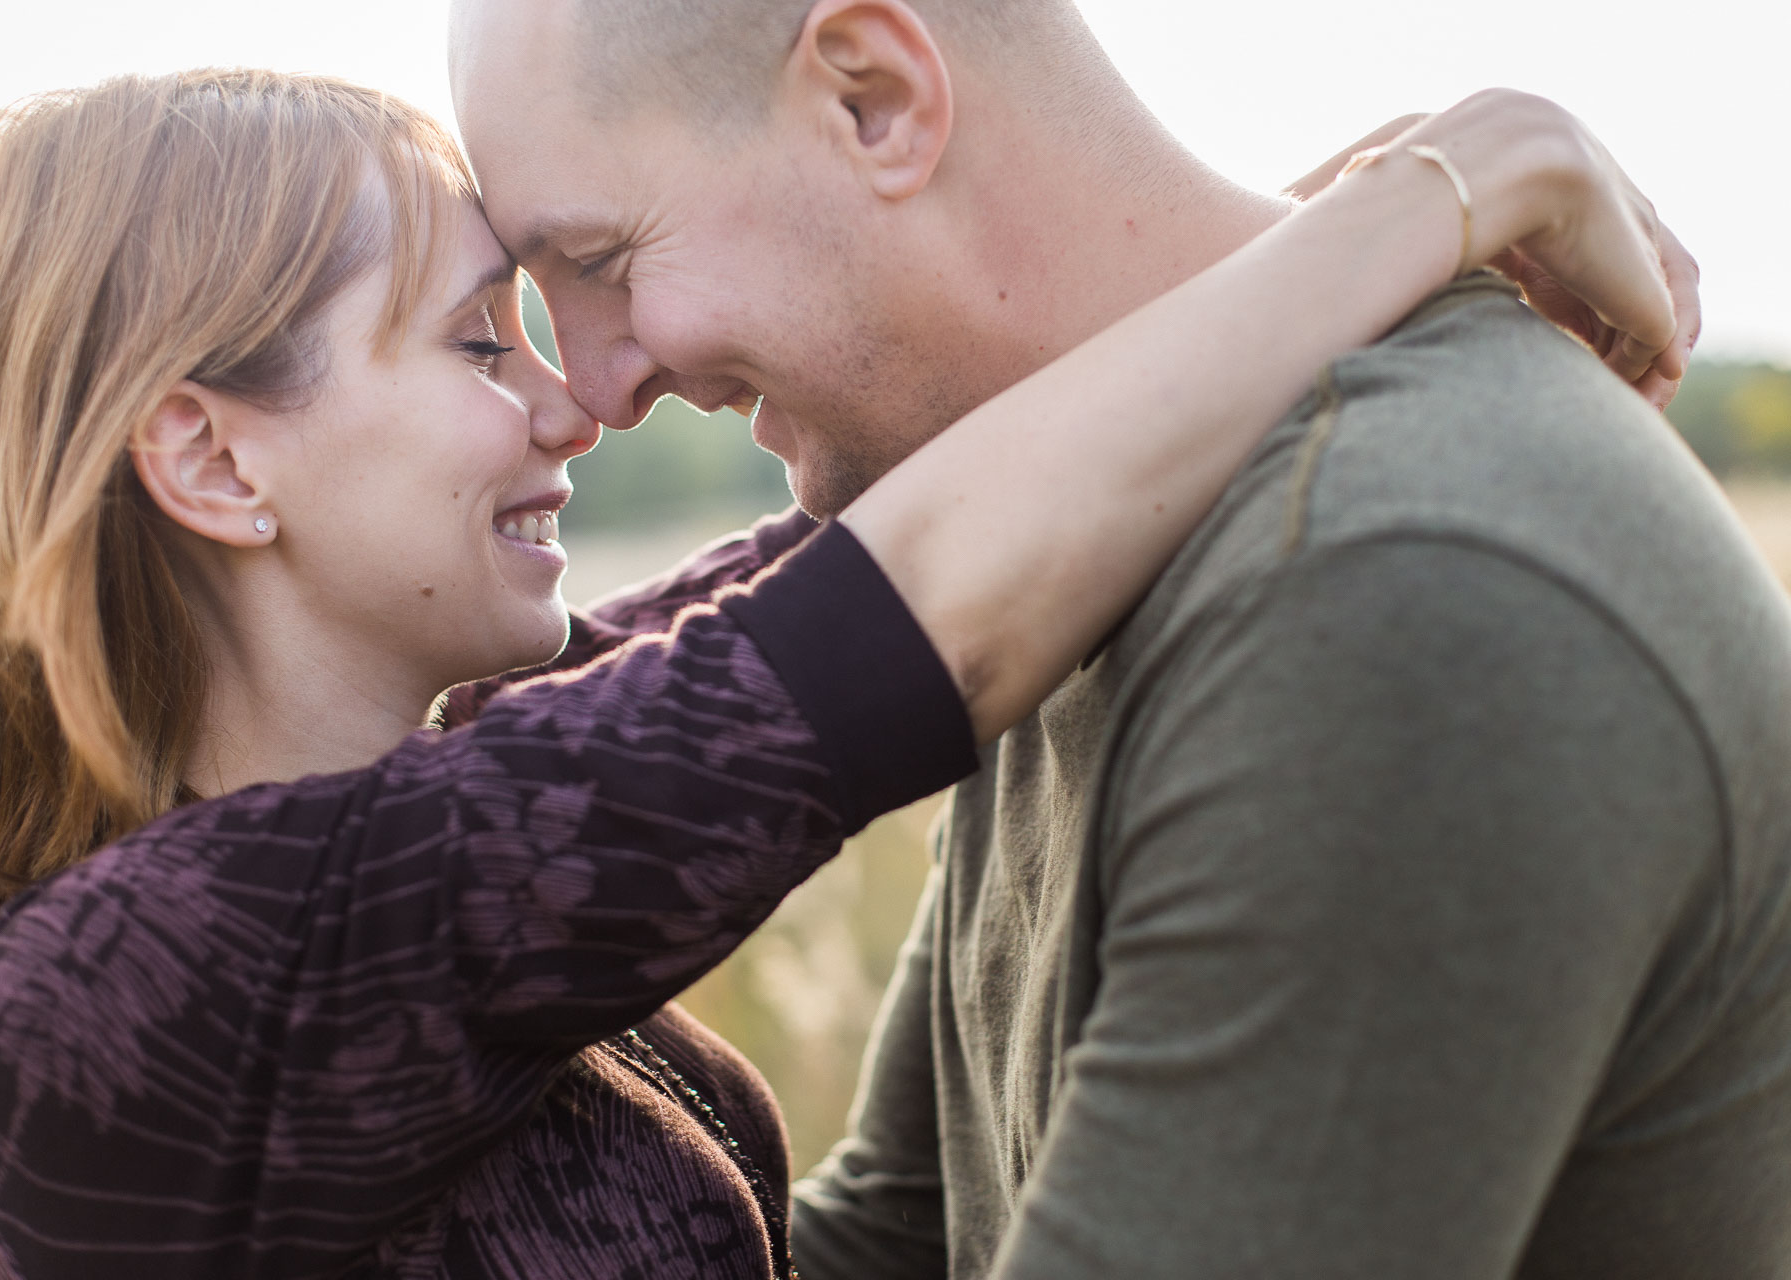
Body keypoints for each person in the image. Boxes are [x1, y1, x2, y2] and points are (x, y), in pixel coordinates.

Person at [0, 67, 1684, 1280]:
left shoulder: (445, 812)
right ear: (213, 461)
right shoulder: (93, 1005)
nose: (573, 396)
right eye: (476, 337)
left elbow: (905, 539)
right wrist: (1457, 185)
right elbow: (895, 629)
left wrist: (1307, 226)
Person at [448, 2, 1791, 1277]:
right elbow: (913, 1237)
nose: (598, 385)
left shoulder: (1385, 590)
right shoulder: (1095, 528)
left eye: (607, 264)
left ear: (877, 101)